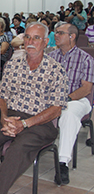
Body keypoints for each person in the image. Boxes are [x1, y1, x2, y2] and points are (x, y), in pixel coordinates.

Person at [0, 22, 68, 194]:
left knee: (18, 148)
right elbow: (1, 97)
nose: (30, 41)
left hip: (40, 122)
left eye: (36, 38)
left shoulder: (56, 70)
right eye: (27, 37)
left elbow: (56, 109)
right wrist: (3, 119)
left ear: (46, 42)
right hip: (11, 117)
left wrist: (24, 124)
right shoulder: (12, 65)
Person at [48, 22, 94, 184]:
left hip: (78, 100)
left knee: (68, 111)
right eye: (55, 32)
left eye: (60, 33)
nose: (56, 36)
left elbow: (86, 89)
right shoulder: (51, 58)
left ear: (72, 36)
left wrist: (64, 99)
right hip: (54, 100)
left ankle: (62, 162)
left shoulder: (85, 58)